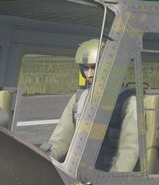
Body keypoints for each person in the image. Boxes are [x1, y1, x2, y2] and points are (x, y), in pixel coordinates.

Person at [43, 38, 138, 171]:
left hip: (109, 176)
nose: (89, 74)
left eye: (94, 67)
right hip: (80, 172)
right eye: (85, 68)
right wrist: (48, 156)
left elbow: (129, 151)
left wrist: (112, 179)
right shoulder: (79, 99)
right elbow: (60, 140)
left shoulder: (129, 101)